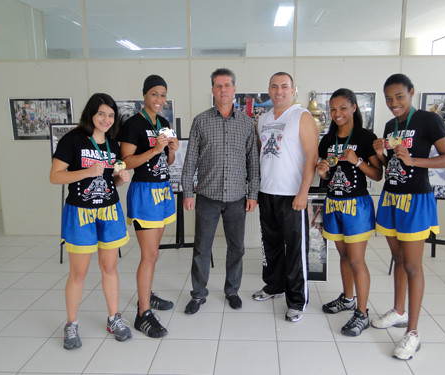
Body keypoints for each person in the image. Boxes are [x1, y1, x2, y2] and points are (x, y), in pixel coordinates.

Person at [372, 73, 445, 360]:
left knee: (413, 267)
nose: (394, 103)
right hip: (392, 197)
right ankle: (398, 311)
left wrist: (413, 160)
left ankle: (414, 332)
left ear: (412, 93)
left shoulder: (428, 120)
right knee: (399, 261)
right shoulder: (390, 124)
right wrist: (381, 154)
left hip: (417, 199)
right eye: (389, 99)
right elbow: (391, 164)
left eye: (399, 97)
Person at [49, 93, 132, 349]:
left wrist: (122, 178)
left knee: (109, 268)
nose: (106, 119)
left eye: (110, 115)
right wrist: (87, 171)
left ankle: (113, 318)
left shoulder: (113, 144)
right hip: (80, 213)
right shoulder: (72, 140)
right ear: (91, 114)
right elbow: (55, 177)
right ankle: (71, 324)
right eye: (101, 114)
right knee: (79, 272)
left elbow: (111, 180)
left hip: (108, 211)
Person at [181, 68, 259, 314]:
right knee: (202, 247)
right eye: (218, 85)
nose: (223, 89)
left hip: (237, 198)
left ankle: (232, 290)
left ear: (234, 89)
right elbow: (190, 158)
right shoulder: (201, 121)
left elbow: (253, 162)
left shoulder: (247, 123)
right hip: (207, 197)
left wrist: (253, 193)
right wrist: (187, 192)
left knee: (237, 247)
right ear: (213, 90)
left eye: (227, 85)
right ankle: (198, 294)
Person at [253, 72, 319, 323]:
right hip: (267, 192)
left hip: (292, 195)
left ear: (293, 90)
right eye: (274, 86)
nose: (279, 90)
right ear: (269, 90)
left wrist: (304, 192)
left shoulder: (301, 116)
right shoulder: (263, 119)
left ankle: (297, 300)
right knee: (270, 245)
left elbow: (311, 157)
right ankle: (273, 286)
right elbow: (264, 155)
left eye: (284, 86)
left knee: (295, 250)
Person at [317, 89, 382, 336]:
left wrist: (357, 161)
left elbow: (377, 175)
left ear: (354, 107)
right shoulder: (327, 140)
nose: (337, 114)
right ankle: (347, 299)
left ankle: (363, 313)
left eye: (343, 108)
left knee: (356, 260)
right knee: (344, 258)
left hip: (357, 206)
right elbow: (327, 174)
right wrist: (322, 171)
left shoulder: (366, 138)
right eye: (333, 109)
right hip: (334, 203)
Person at [118, 75, 180, 338]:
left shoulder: (164, 123)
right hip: (144, 192)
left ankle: (147, 294)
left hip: (162, 190)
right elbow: (126, 162)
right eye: (155, 94)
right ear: (144, 95)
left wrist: (172, 149)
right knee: (149, 254)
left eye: (163, 95)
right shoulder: (133, 124)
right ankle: (143, 313)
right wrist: (155, 150)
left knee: (154, 254)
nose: (159, 100)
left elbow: (169, 159)